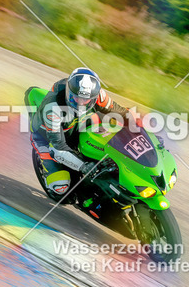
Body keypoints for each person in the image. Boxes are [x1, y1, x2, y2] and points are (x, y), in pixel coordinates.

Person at [27, 67, 131, 201]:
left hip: (78, 125)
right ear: (68, 92)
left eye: (86, 100)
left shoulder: (99, 95)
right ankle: (51, 176)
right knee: (62, 191)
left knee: (111, 128)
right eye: (76, 98)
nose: (81, 103)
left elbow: (123, 113)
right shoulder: (53, 108)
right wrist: (83, 166)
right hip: (47, 139)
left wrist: (142, 130)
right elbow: (58, 147)